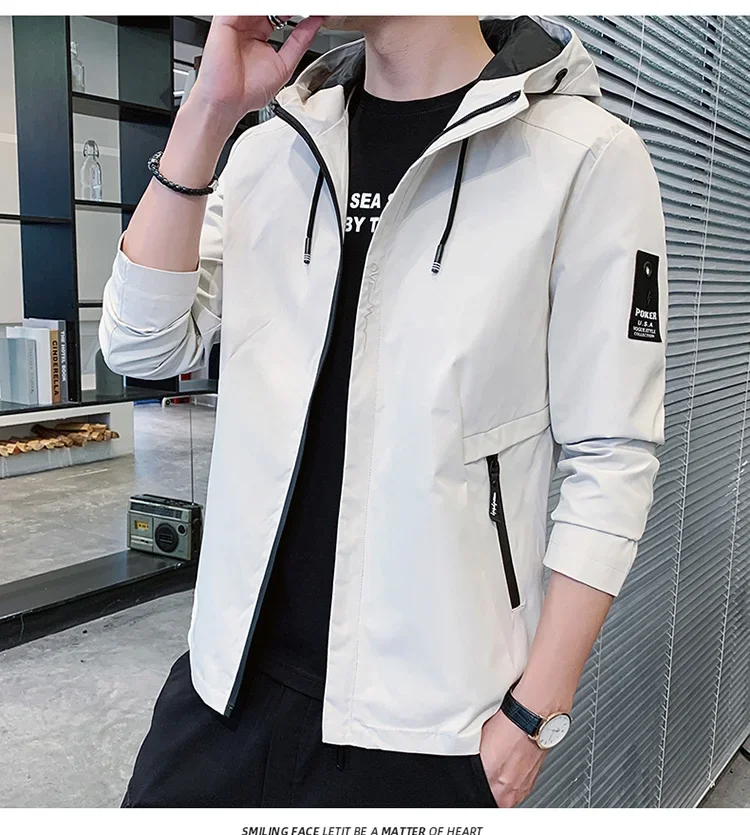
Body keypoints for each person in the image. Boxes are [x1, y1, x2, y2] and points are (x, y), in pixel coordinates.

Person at [102, 14, 667, 808]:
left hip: (423, 729)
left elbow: (612, 454)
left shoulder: (583, 155)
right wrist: (208, 113)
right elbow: (141, 344)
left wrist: (535, 711)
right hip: (224, 685)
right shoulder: (275, 147)